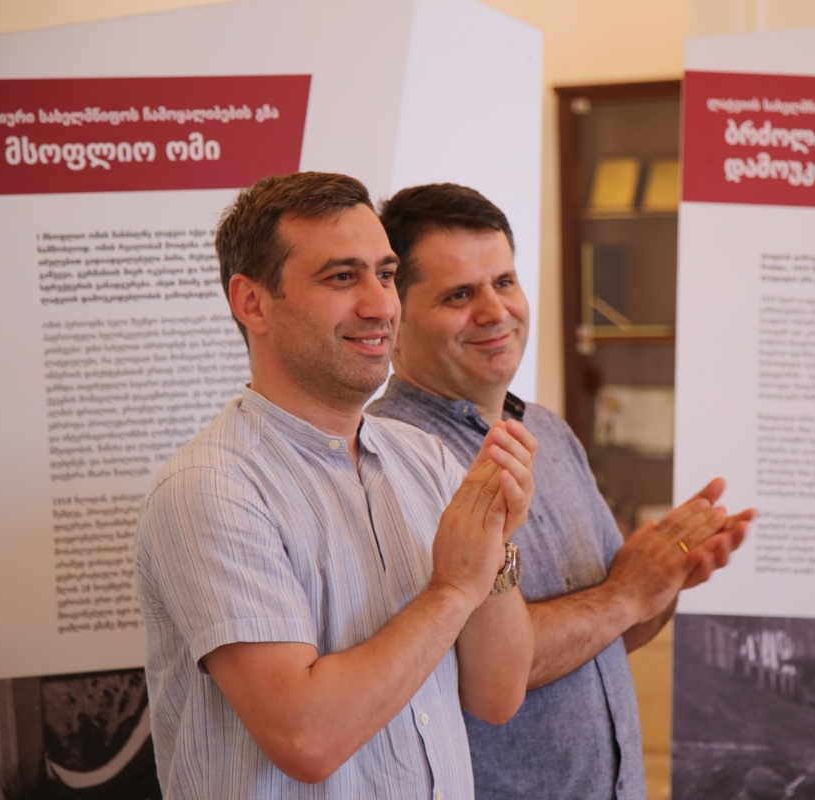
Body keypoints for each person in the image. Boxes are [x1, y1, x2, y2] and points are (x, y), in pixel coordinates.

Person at [134, 172, 537, 799]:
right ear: (252, 302)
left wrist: (497, 549)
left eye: (386, 274)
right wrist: (454, 589)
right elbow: (307, 738)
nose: (381, 306)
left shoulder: (425, 459)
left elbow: (497, 695)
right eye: (342, 277)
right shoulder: (210, 489)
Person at [367, 182, 755, 798]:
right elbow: (483, 670)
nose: (495, 311)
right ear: (396, 314)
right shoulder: (389, 458)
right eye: (460, 294)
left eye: (504, 282)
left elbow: (611, 633)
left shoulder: (547, 430)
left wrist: (665, 578)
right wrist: (626, 593)